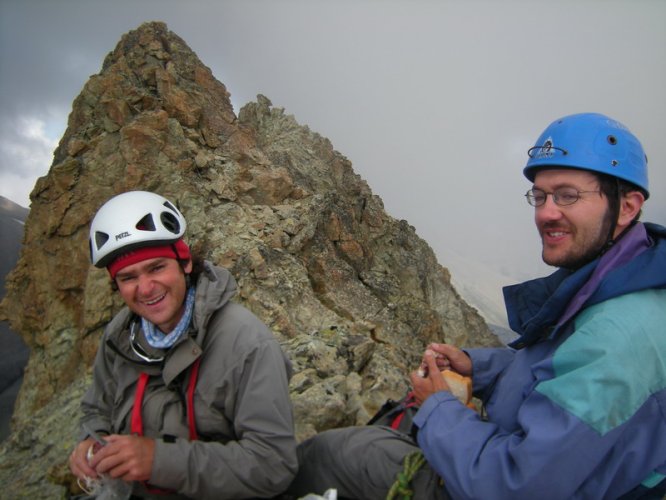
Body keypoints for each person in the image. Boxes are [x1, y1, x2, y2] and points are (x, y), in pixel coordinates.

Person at [287, 113, 666, 499]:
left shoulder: (619, 338)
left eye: (568, 195)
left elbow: (515, 486)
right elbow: (559, 373)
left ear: (627, 207)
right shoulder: (611, 280)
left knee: (331, 455)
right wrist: (478, 367)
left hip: (498, 482)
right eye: (540, 195)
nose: (546, 212)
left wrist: (437, 405)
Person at [68, 190, 298, 499]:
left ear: (185, 262)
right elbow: (97, 408)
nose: (146, 289)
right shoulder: (120, 337)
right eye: (128, 277)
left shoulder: (246, 343)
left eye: (157, 267)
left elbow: (274, 465)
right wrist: (89, 442)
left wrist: (159, 461)